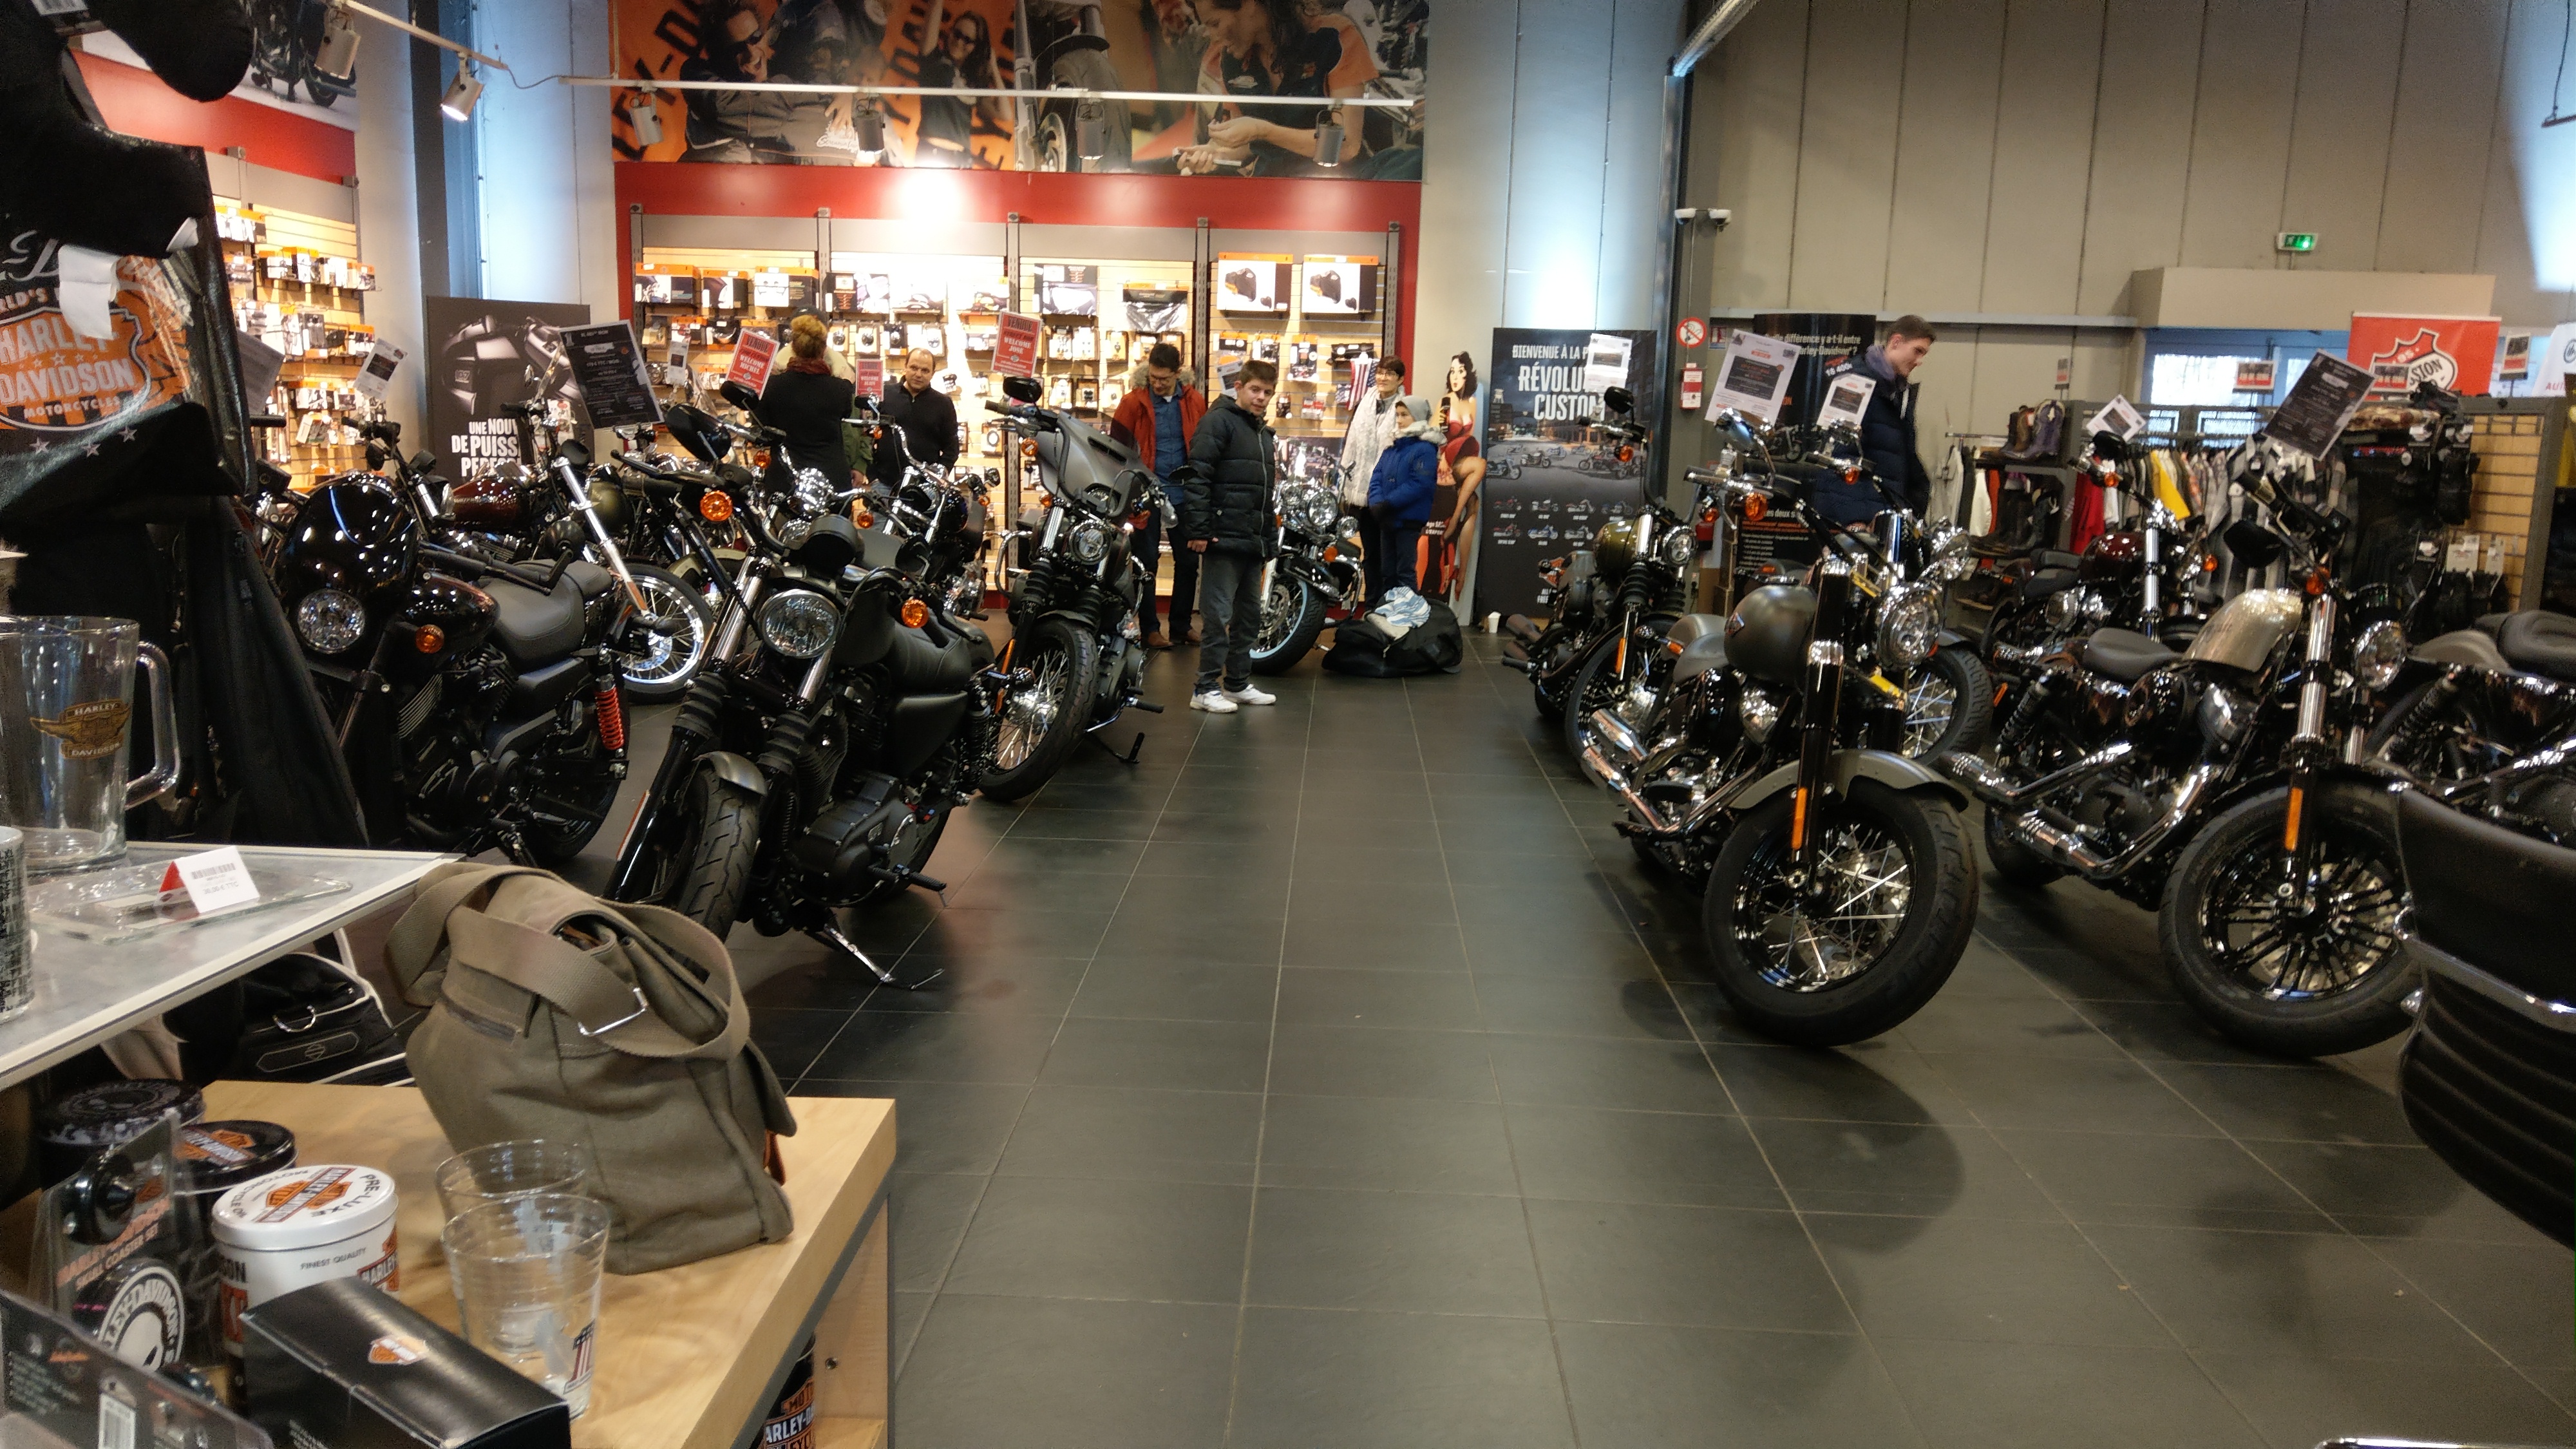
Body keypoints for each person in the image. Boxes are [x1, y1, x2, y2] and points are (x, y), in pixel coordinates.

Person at [1180, 359, 1283, 713]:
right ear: (1238, 386)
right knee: (1218, 616)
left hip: (1251, 539)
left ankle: (1237, 683)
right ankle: (1205, 688)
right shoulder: (1217, 422)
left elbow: (1264, 494)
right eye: (1255, 390)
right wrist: (1199, 530)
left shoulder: (1262, 433)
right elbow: (1197, 476)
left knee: (1249, 617)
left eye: (1267, 392)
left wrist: (1268, 538)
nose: (1261, 398)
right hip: (1222, 537)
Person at [1178, 0, 1378, 176]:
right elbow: (1244, 145)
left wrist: (1262, 131)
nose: (1213, 37)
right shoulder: (1231, 60)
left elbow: (1346, 146)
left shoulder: (1334, 38)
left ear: (1249, 5)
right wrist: (1215, 154)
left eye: (1215, 24)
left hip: (1337, 187)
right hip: (1270, 186)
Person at [1108, 342, 1208, 648]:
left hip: (1184, 492)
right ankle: (1150, 628)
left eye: (1164, 378)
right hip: (1145, 491)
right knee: (1146, 561)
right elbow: (1116, 448)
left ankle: (1181, 625)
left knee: (1188, 562)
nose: (1158, 383)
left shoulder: (1194, 401)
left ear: (1178, 373)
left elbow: (1203, 444)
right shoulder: (1132, 402)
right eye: (1153, 377)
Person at [1828, 315, 1937, 526]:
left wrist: (1913, 505)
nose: (1919, 361)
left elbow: (1900, 457)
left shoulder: (1898, 393)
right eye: (1917, 351)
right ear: (1896, 342)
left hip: (1886, 517)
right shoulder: (1854, 384)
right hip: (1859, 521)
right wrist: (1856, 520)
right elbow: (1839, 456)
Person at [755, 315, 858, 478]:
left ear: (793, 347)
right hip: (830, 476)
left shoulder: (773, 386)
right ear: (824, 349)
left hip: (785, 475)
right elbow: (846, 413)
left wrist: (764, 380)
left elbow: (761, 423)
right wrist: (847, 383)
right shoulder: (839, 389)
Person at [1363, 396, 1438, 600]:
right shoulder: (1392, 447)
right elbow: (1377, 477)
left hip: (1407, 520)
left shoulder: (1425, 449)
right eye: (1398, 415)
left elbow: (1419, 484)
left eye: (1405, 415)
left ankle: (1409, 613)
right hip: (1387, 519)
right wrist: (1377, 504)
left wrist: (1388, 504)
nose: (1399, 420)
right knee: (1388, 572)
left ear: (1418, 416)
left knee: (1405, 572)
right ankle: (1389, 612)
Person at [914, 0, 1005, 167]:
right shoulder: (934, 62)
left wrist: (993, 66)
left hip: (962, 160)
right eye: (957, 34)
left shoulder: (973, 83)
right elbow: (936, 6)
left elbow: (1004, 114)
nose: (959, 41)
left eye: (967, 40)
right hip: (930, 154)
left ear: (976, 47)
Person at [873, 348, 958, 485]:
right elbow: (866, 435)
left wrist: (939, 477)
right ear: (905, 367)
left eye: (925, 370)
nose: (918, 374)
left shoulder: (944, 404)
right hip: (884, 484)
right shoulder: (884, 394)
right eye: (914, 368)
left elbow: (951, 449)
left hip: (925, 487)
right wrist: (871, 476)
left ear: (933, 374)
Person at [1336, 356, 1405, 513]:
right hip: (1357, 486)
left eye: (1390, 374)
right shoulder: (1364, 404)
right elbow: (1352, 442)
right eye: (1380, 373)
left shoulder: (1404, 409)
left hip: (1386, 492)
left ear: (1400, 379)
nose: (1383, 378)